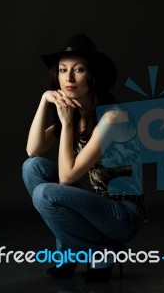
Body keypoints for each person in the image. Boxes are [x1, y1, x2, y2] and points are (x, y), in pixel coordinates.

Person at [22, 33, 145, 281]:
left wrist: (66, 125)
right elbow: (32, 150)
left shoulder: (112, 118)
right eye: (62, 70)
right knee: (32, 167)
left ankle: (98, 253)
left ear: (92, 75)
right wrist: (44, 101)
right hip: (96, 207)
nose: (68, 78)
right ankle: (80, 252)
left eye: (78, 70)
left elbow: (66, 178)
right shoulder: (74, 113)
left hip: (122, 215)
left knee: (45, 193)